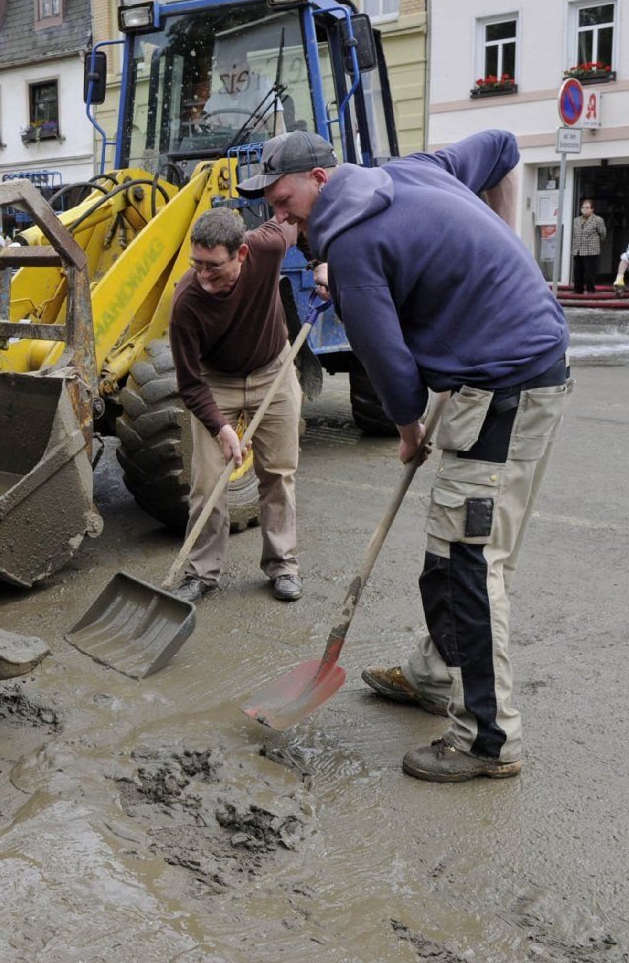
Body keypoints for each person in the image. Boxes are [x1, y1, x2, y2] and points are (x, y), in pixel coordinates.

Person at [243, 129, 570, 783]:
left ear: (321, 178)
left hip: (500, 390)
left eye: (284, 200)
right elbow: (503, 148)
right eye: (271, 207)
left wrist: (408, 431)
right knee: (449, 552)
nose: (280, 217)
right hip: (523, 370)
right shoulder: (410, 171)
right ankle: (430, 675)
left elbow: (389, 366)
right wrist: (499, 237)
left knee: (468, 564)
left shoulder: (350, 241)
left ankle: (487, 740)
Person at [167, 207, 305, 605]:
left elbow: (298, 218)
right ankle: (201, 573)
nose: (203, 275)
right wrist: (222, 429)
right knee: (208, 481)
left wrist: (321, 262)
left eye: (214, 266)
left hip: (273, 371)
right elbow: (189, 383)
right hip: (216, 383)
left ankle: (283, 565)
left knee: (278, 472)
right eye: (197, 265)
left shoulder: (268, 245)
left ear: (241, 254)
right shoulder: (187, 302)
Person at [569, 199, 607, 294]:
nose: (584, 209)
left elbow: (603, 234)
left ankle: (590, 289)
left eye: (587, 207)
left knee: (589, 272)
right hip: (578, 249)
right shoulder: (576, 220)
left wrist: (595, 243)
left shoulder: (598, 220)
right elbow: (574, 234)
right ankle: (578, 289)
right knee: (578, 271)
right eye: (583, 207)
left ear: (592, 209)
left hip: (591, 250)